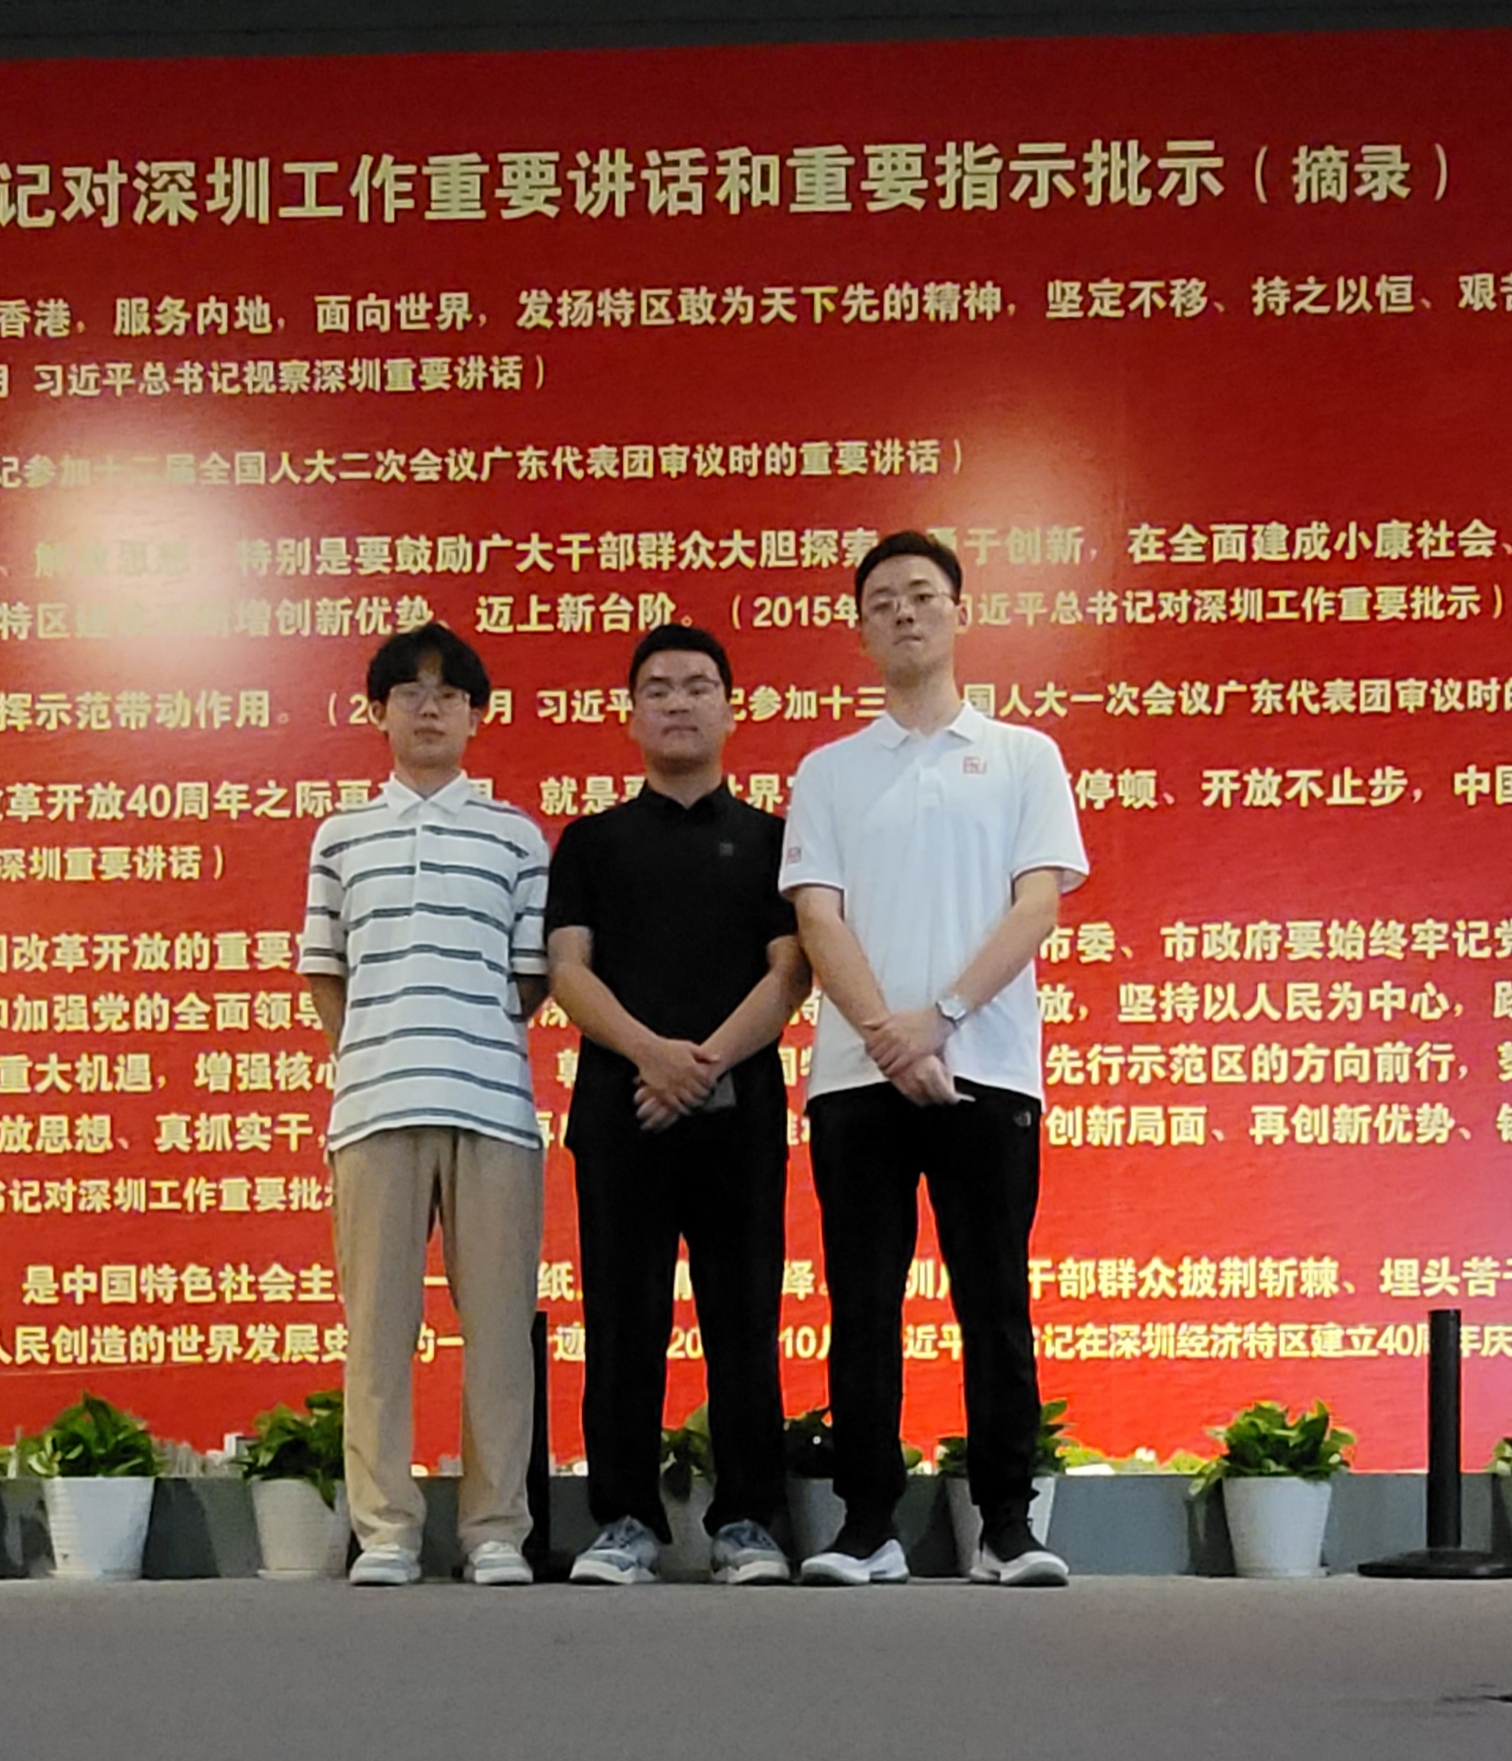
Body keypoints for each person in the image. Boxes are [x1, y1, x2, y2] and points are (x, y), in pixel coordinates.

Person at [779, 531, 1089, 1587]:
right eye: (882, 601)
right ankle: (866, 1524)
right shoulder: (829, 771)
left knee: (994, 1297)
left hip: (986, 1068)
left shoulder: (1023, 755)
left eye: (921, 594)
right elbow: (818, 916)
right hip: (856, 1077)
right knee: (862, 1302)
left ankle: (1006, 1524)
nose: (904, 612)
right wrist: (886, 1032)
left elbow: (1036, 904)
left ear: (960, 610)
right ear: (861, 629)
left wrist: (942, 1017)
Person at [545, 623, 810, 1587]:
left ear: (731, 709)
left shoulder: (775, 842)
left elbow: (790, 972)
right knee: (623, 1321)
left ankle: (746, 1521)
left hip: (740, 1116)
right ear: (631, 715)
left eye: (699, 685)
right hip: (622, 1111)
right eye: (657, 688)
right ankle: (625, 1519)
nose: (679, 701)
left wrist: (702, 1066)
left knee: (744, 1318)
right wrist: (653, 1057)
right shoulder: (590, 841)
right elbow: (567, 970)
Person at [300, 620, 550, 1587]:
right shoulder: (341, 836)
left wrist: (463, 1034)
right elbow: (326, 970)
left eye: (450, 693)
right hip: (373, 1109)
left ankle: (495, 1530)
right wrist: (377, 1049)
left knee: (499, 1330)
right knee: (378, 1330)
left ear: (477, 715)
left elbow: (530, 977)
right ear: (377, 711)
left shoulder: (516, 835)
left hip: (493, 1108)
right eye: (410, 691)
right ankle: (387, 1531)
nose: (431, 707)